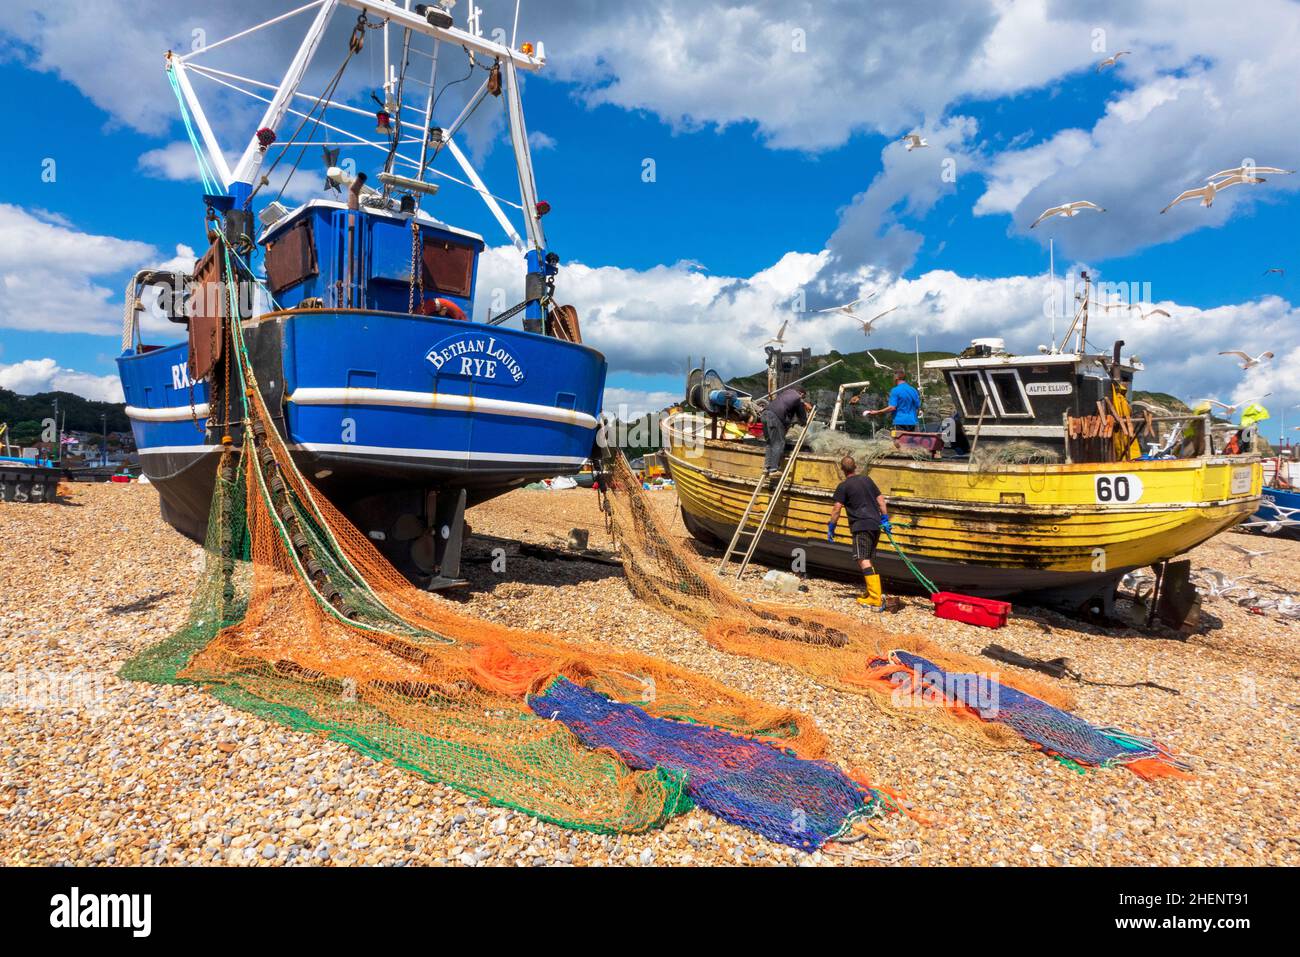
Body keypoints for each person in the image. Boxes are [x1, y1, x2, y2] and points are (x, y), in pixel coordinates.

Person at [826, 455, 891, 610]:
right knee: (867, 558)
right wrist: (885, 519)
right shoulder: (867, 480)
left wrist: (831, 526)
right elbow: (881, 500)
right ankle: (871, 593)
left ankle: (875, 598)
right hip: (875, 525)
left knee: (862, 559)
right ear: (855, 467)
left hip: (861, 526)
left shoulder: (844, 486)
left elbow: (836, 508)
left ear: (842, 470)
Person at [761, 385, 811, 474]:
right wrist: (804, 421)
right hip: (775, 417)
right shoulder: (798, 398)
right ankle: (773, 469)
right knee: (778, 442)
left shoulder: (786, 393)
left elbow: (788, 409)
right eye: (804, 397)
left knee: (770, 442)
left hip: (765, 415)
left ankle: (767, 466)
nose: (803, 398)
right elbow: (801, 416)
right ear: (801, 394)